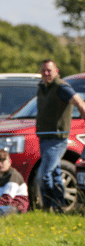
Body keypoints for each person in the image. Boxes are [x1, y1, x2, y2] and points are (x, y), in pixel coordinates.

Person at [36, 59, 85, 212]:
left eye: (49, 70)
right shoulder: (42, 88)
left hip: (57, 138)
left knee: (43, 175)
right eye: (43, 70)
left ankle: (47, 205)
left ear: (56, 71)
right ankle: (60, 206)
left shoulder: (61, 87)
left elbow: (78, 102)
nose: (46, 73)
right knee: (56, 174)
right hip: (44, 137)